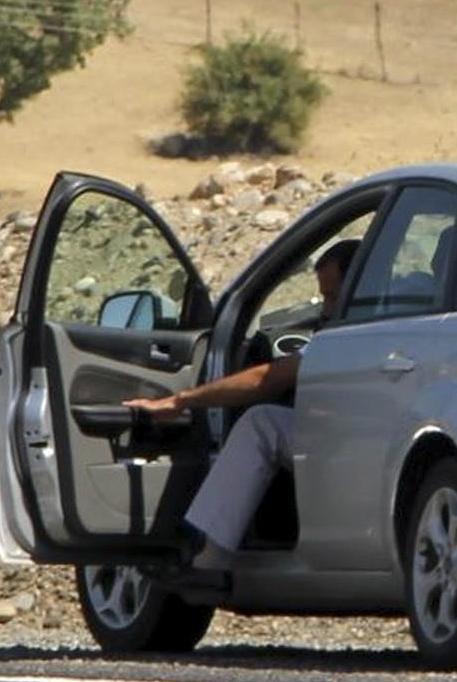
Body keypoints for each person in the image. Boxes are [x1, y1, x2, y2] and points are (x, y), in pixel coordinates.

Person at [122, 239, 362, 565]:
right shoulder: (396, 320)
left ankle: (211, 558)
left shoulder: (352, 333)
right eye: (323, 298)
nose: (325, 310)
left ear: (359, 288)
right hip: (368, 442)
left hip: (359, 446)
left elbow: (267, 380)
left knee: (261, 423)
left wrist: (181, 401)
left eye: (333, 297)